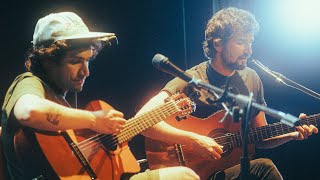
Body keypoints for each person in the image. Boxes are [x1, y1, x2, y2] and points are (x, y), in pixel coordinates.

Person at [1, 12, 200, 180]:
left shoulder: (61, 94)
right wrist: (94, 120)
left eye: (88, 61)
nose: (85, 72)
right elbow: (29, 111)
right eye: (75, 61)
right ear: (47, 60)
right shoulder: (28, 82)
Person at [138, 7, 318, 180]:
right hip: (193, 172)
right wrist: (194, 141)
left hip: (228, 171)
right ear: (218, 44)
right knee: (264, 168)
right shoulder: (190, 79)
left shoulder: (251, 79)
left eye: (250, 42)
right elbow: (142, 121)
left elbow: (260, 138)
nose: (249, 50)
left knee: (259, 167)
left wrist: (292, 133)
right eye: (241, 42)